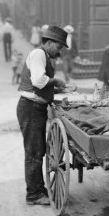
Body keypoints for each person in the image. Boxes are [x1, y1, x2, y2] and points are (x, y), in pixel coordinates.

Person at [16, 25, 69, 206]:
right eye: (59, 47)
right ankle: (33, 194)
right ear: (49, 42)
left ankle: (38, 189)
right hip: (30, 108)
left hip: (35, 108)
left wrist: (55, 87)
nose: (59, 52)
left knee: (38, 150)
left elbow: (42, 83)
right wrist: (56, 81)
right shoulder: (38, 54)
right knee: (34, 152)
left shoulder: (44, 56)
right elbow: (38, 81)